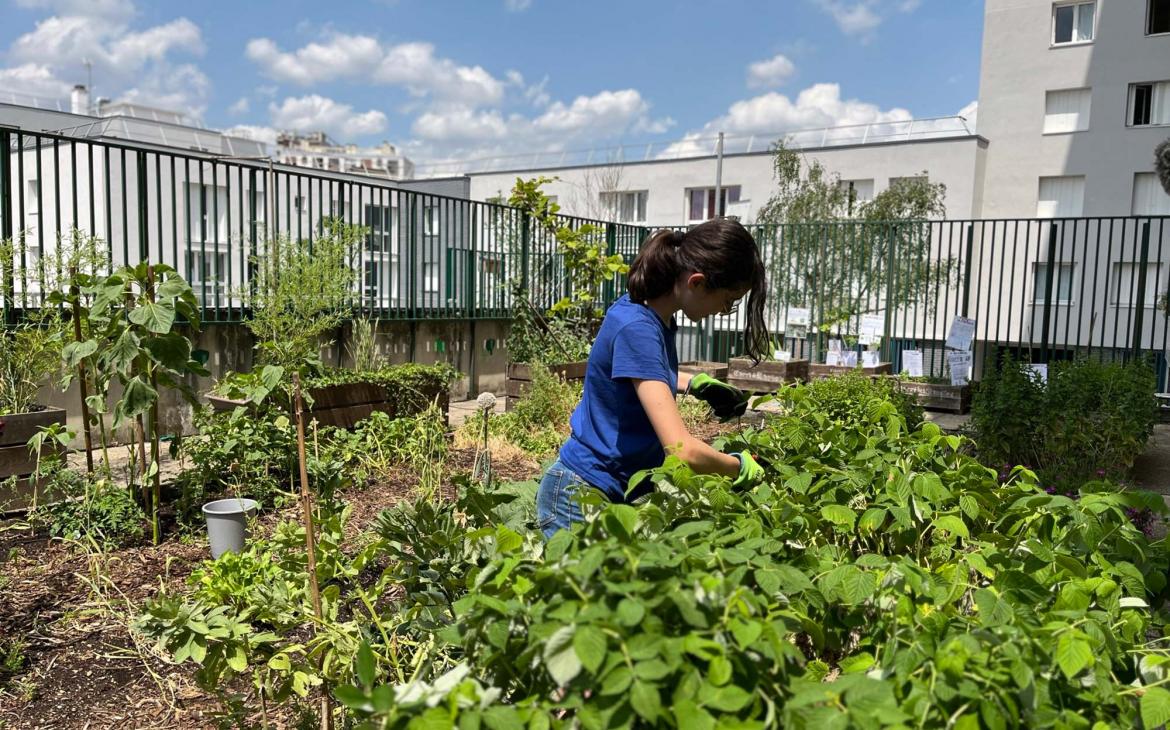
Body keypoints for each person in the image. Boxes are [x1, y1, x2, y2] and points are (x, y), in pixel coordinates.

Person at [536, 217, 769, 539]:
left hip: (609, 490)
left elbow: (636, 369)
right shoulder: (639, 328)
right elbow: (681, 450)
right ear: (697, 282)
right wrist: (738, 467)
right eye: (728, 301)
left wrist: (694, 384)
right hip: (581, 497)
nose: (723, 310)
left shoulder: (647, 310)